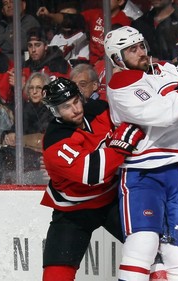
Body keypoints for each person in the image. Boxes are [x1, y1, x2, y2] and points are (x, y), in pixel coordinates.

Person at [104, 26, 178, 280]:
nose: (141, 52)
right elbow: (162, 114)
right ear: (117, 58)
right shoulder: (120, 85)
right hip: (142, 171)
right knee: (143, 243)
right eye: (132, 49)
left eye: (141, 45)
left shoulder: (168, 70)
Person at [40, 77, 145, 281]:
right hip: (73, 211)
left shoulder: (99, 109)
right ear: (55, 111)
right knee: (55, 276)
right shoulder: (55, 140)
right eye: (66, 107)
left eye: (76, 101)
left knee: (148, 245)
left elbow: (135, 119)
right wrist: (122, 143)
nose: (76, 109)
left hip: (113, 200)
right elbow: (92, 173)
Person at [36, 0, 132, 65]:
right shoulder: (94, 14)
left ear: (121, 1)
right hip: (91, 66)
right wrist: (50, 16)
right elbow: (70, 20)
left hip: (111, 66)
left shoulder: (125, 22)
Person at [1, 72, 53, 184]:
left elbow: (42, 139)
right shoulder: (23, 109)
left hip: (42, 160)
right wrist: (9, 135)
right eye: (31, 88)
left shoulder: (52, 111)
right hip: (23, 157)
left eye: (39, 88)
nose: (34, 92)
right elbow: (13, 132)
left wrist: (20, 139)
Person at [8, 27, 72, 95]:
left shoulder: (58, 65)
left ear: (46, 46)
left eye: (37, 45)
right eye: (30, 46)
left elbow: (57, 97)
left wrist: (24, 88)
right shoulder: (25, 67)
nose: (33, 50)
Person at [47, 2, 89, 67]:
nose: (67, 22)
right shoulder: (56, 38)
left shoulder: (82, 39)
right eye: (64, 18)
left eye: (70, 18)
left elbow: (82, 66)